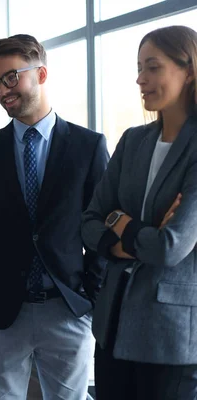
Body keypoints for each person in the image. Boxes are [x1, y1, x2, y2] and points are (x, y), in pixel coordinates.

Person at [0, 34, 109, 399]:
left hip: (67, 307)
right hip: (3, 309)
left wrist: (90, 295)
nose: (2, 90)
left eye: (11, 77)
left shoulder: (89, 147)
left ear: (42, 74)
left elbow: (100, 229)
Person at [81, 25, 197, 399]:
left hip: (171, 338)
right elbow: (89, 221)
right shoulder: (133, 141)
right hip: (112, 326)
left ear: (189, 69)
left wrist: (121, 220)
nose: (139, 79)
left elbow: (169, 248)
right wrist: (123, 236)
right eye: (138, 68)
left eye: (152, 67)